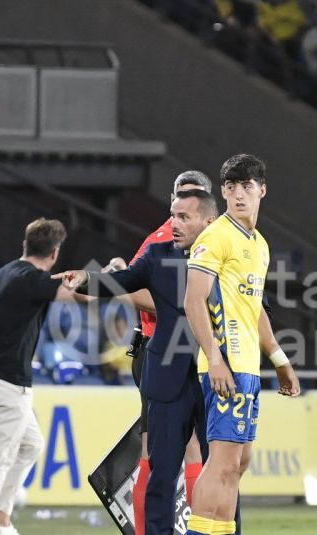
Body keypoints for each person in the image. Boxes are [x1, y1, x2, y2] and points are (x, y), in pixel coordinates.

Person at [55, 189, 300, 535]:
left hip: (216, 378)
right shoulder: (157, 256)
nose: (173, 224)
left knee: (224, 466)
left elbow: (256, 309)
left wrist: (276, 357)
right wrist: (86, 279)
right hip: (169, 376)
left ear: (209, 221)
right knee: (161, 472)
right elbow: (121, 282)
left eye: (183, 217)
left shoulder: (230, 255)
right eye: (173, 215)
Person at [184, 154, 297, 535]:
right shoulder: (215, 236)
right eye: (231, 187)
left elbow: (255, 309)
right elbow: (192, 300)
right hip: (226, 364)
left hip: (248, 365)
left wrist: (279, 359)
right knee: (221, 462)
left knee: (239, 462)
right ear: (223, 192)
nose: (238, 194)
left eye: (247, 186)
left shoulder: (259, 245)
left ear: (262, 190)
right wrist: (215, 359)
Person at [0, 218, 71, 535]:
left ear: (25, 245)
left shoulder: (0, 275)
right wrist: (112, 277)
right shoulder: (34, 280)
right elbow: (80, 296)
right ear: (53, 253)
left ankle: (0, 516)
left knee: (31, 444)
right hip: (8, 378)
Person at [124, 170, 215, 535]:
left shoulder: (212, 242)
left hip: (197, 354)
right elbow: (128, 286)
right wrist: (174, 305)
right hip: (160, 350)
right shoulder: (159, 242)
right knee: (159, 455)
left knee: (198, 452)